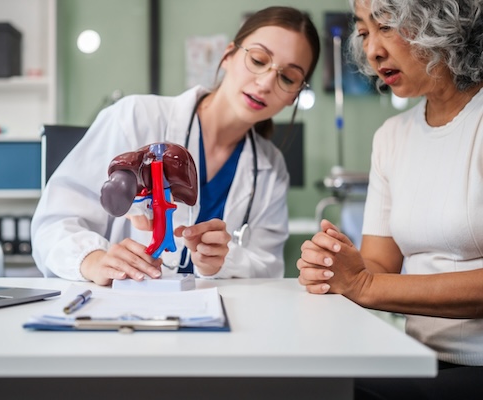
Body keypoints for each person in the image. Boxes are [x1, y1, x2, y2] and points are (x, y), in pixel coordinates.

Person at [31, 6, 320, 285]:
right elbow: (54, 222)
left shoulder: (272, 168)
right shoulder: (136, 117)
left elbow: (266, 265)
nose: (266, 82)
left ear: (294, 96)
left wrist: (221, 263)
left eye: (287, 77)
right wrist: (92, 259)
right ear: (228, 55)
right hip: (123, 311)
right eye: (258, 60)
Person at [297, 0, 483, 398]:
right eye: (364, 32)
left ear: (443, 22)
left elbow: (370, 282)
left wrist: (363, 285)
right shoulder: (391, 137)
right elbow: (380, 262)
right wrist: (333, 265)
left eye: (386, 26)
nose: (371, 50)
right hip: (419, 356)